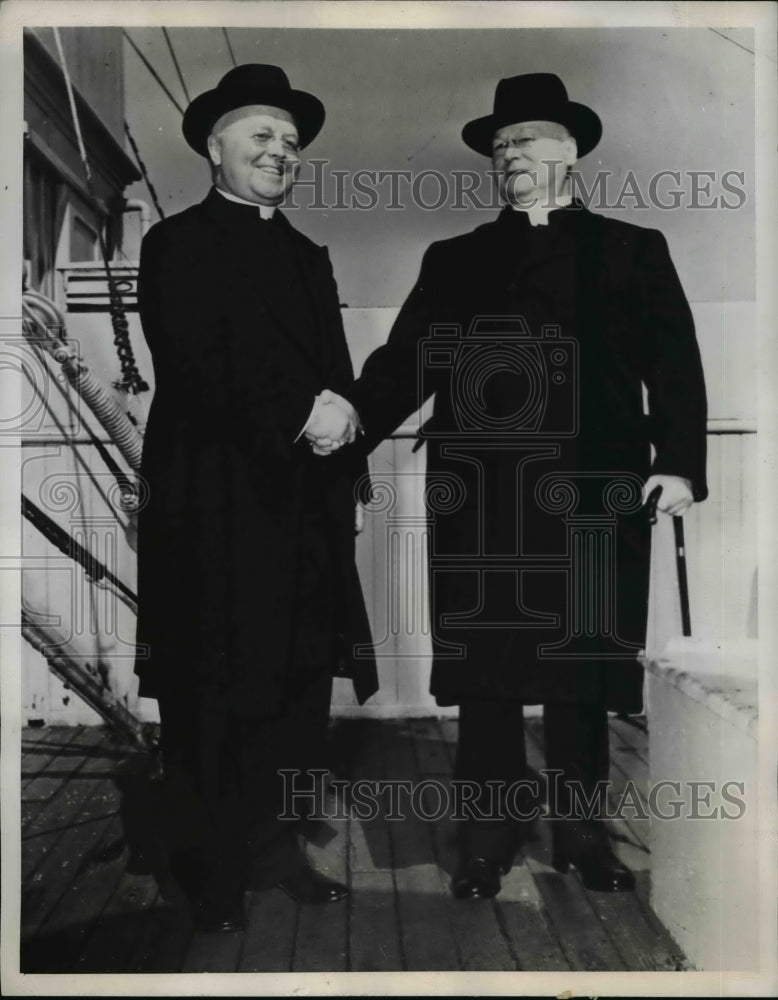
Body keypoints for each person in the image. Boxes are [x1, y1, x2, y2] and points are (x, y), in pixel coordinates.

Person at [310, 73, 707, 899]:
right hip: (483, 494)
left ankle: (583, 835)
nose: (509, 156)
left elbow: (674, 364)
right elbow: (407, 362)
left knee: (583, 669)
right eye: (499, 147)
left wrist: (677, 462)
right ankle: (486, 837)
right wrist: (348, 416)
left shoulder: (633, 248)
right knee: (485, 673)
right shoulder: (455, 259)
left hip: (593, 494)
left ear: (571, 150)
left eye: (525, 140)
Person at [133, 64, 377, 932]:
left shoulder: (307, 255)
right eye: (262, 135)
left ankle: (276, 851)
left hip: (304, 505)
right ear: (214, 147)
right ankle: (210, 873)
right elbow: (194, 363)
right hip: (212, 503)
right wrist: (302, 415)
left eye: (291, 141)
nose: (281, 152)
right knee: (210, 689)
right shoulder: (174, 244)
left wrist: (350, 451)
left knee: (294, 685)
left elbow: (336, 372)